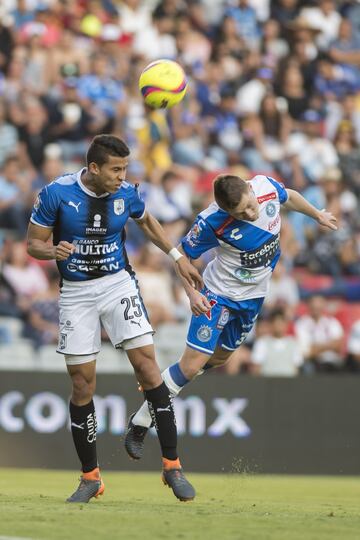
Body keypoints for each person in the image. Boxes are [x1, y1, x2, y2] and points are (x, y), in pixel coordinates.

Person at [27, 134, 203, 503]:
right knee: (81, 385)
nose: (123, 176)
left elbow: (148, 221)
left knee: (149, 369)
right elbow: (33, 243)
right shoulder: (55, 194)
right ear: (93, 168)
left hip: (117, 285)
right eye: (116, 169)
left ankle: (173, 467)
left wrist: (177, 256)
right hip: (76, 293)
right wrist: (51, 250)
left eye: (126, 168)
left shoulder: (127, 193)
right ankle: (91, 478)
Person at [125, 172, 337, 460]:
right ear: (226, 211)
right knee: (191, 365)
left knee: (222, 357)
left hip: (252, 297)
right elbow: (182, 258)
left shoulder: (264, 187)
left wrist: (316, 215)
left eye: (250, 206)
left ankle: (162, 384)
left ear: (251, 189)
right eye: (242, 213)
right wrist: (192, 294)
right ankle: (141, 422)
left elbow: (290, 195)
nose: (251, 214)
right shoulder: (211, 222)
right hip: (217, 294)